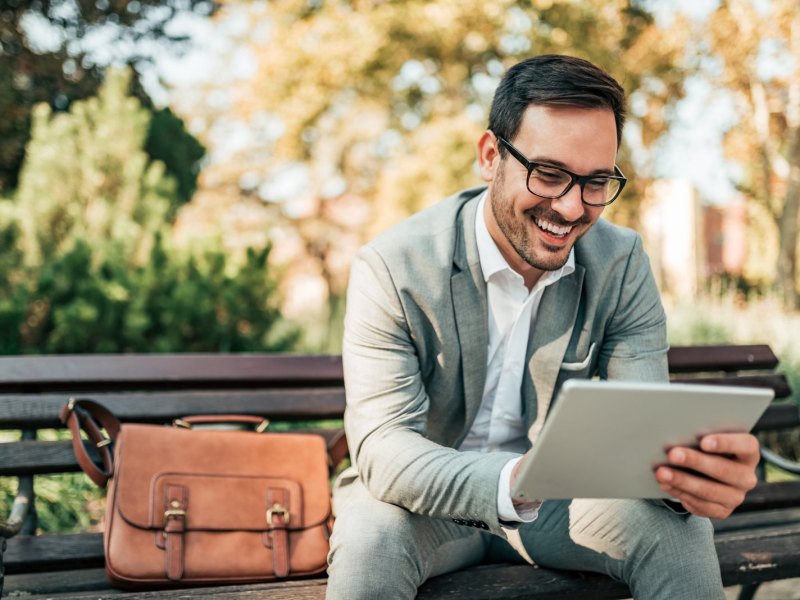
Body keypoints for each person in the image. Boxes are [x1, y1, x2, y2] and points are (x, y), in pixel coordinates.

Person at [326, 54, 760, 599]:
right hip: (421, 506)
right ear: (490, 156)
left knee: (678, 530)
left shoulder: (621, 262)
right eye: (549, 174)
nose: (572, 207)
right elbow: (384, 449)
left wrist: (684, 483)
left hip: (562, 506)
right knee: (371, 534)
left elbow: (642, 430)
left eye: (596, 181)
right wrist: (512, 483)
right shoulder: (394, 267)